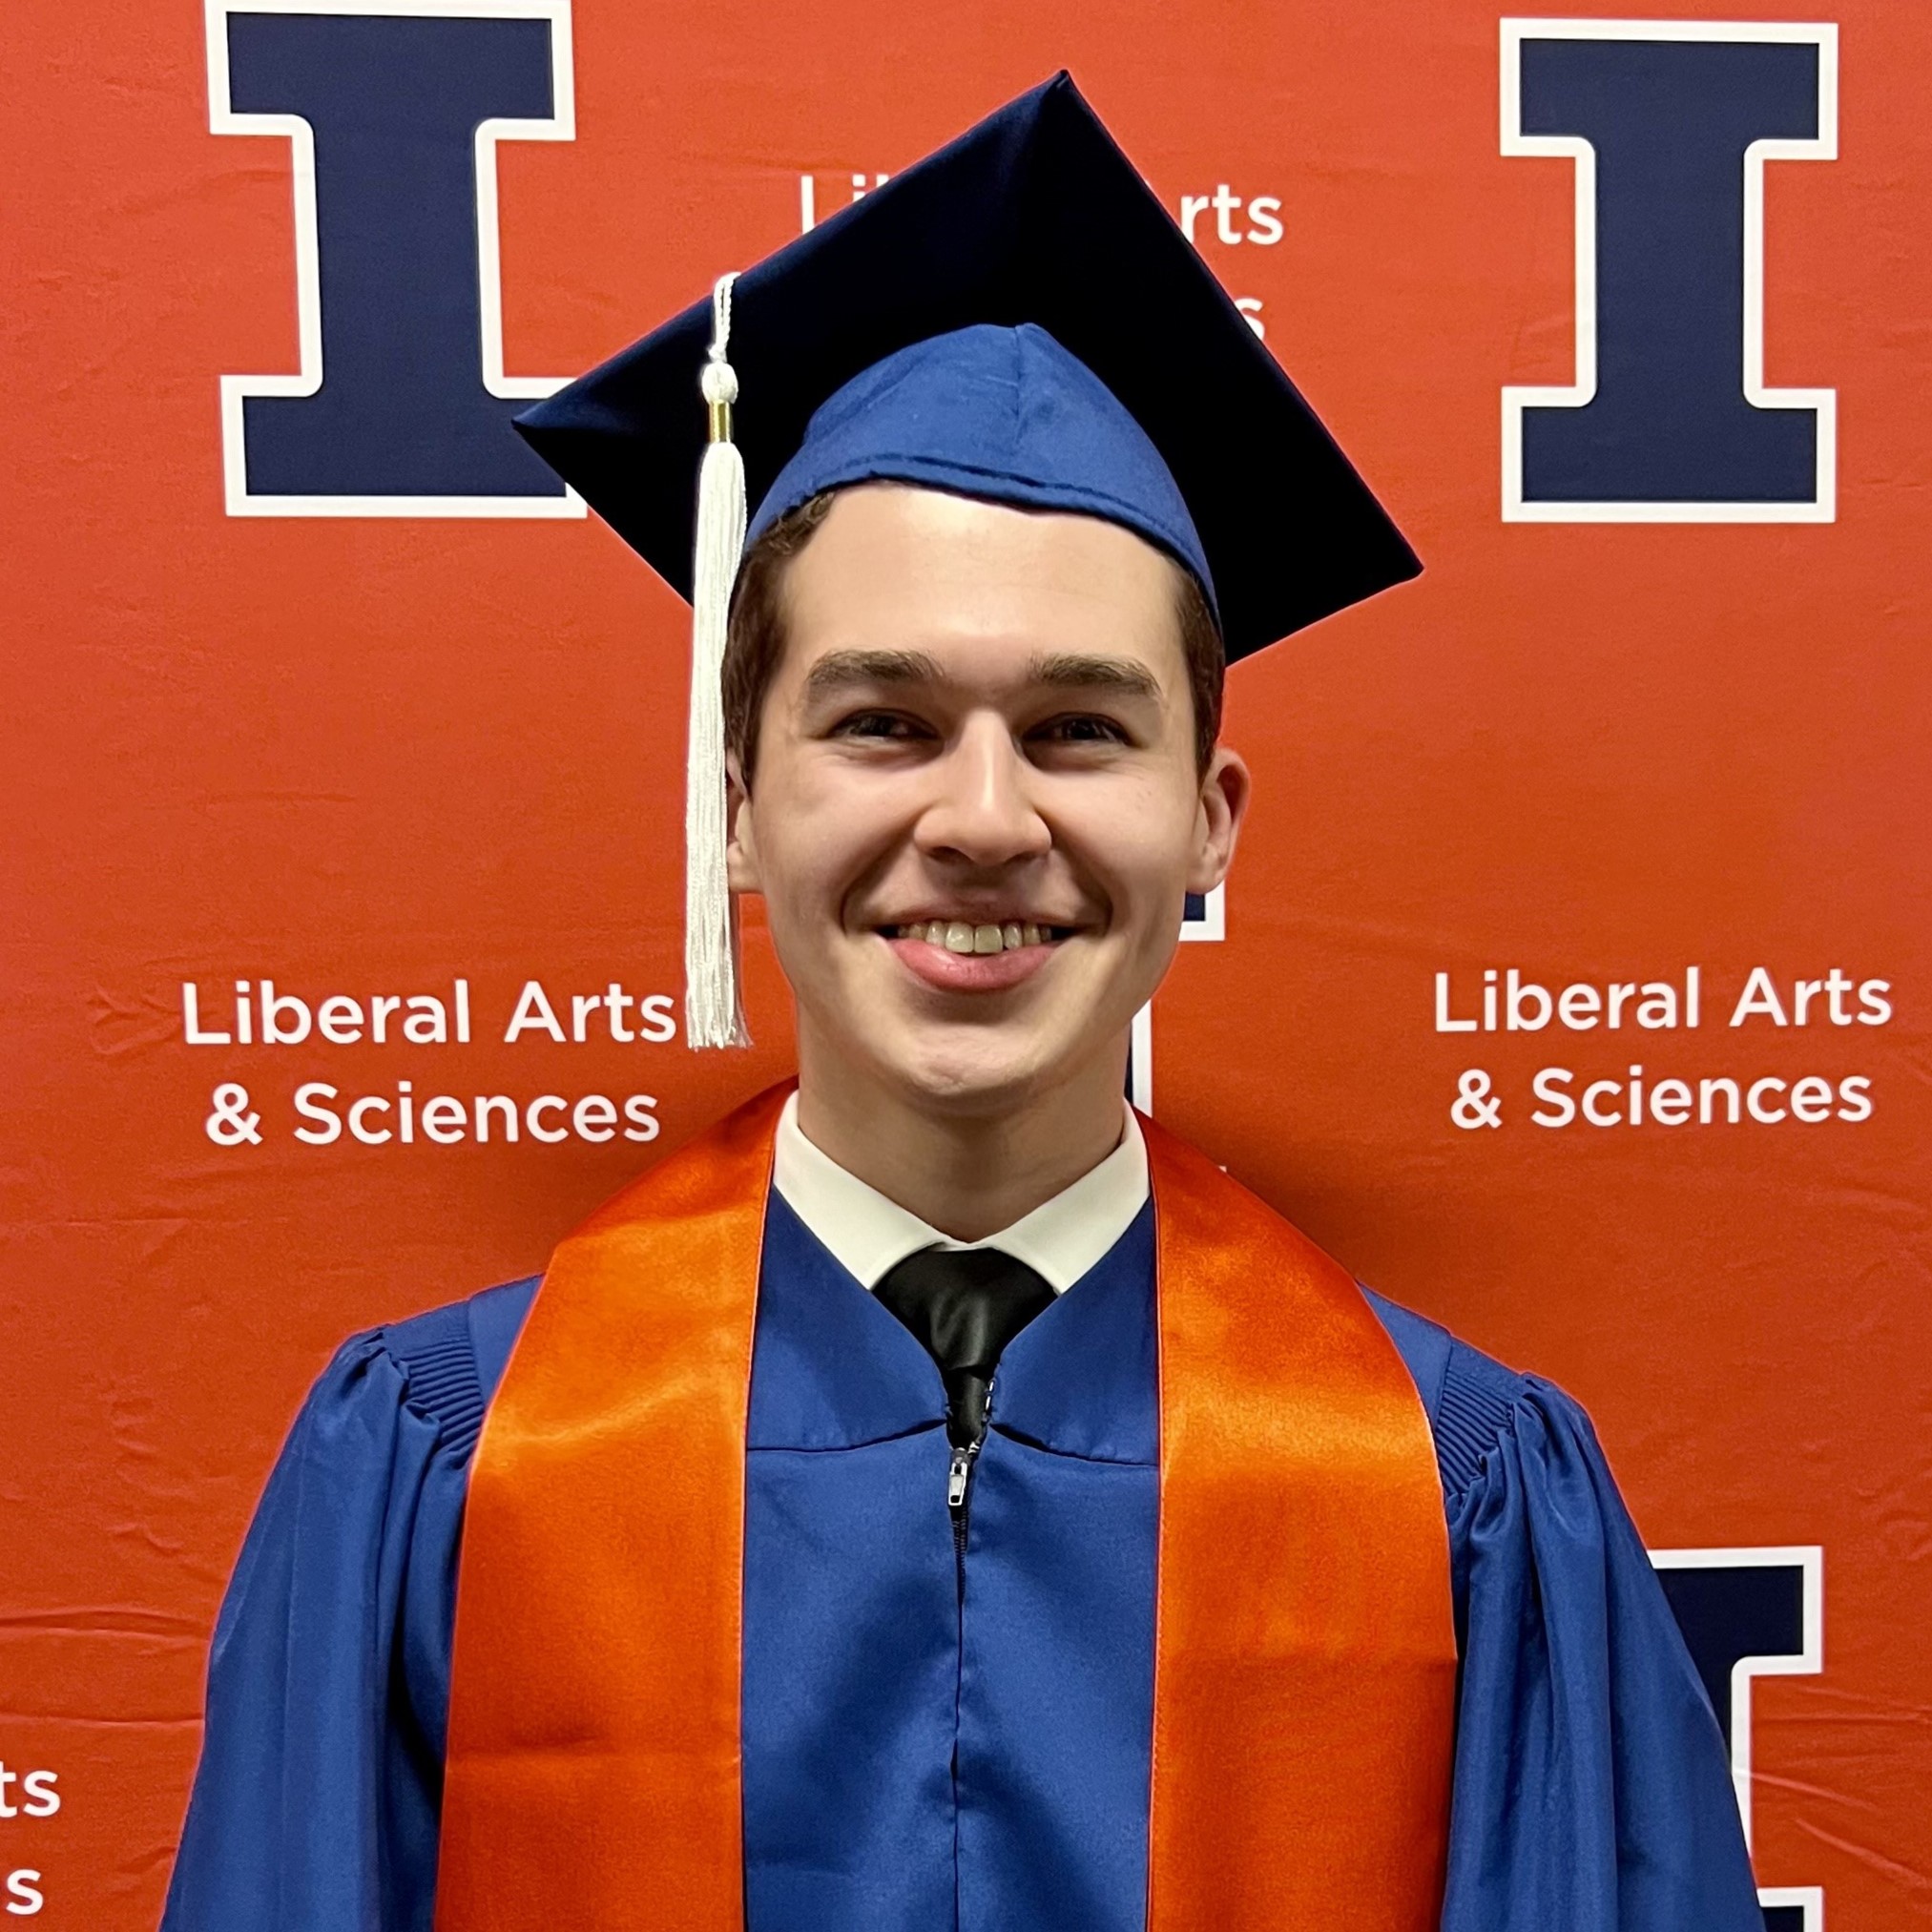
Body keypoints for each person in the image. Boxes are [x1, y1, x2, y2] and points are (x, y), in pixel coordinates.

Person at [162, 73, 1764, 1932]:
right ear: (737, 804)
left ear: (1205, 823)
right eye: (882, 723)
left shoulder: (1457, 1491)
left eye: (1078, 728)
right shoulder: (448, 1463)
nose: (985, 818)